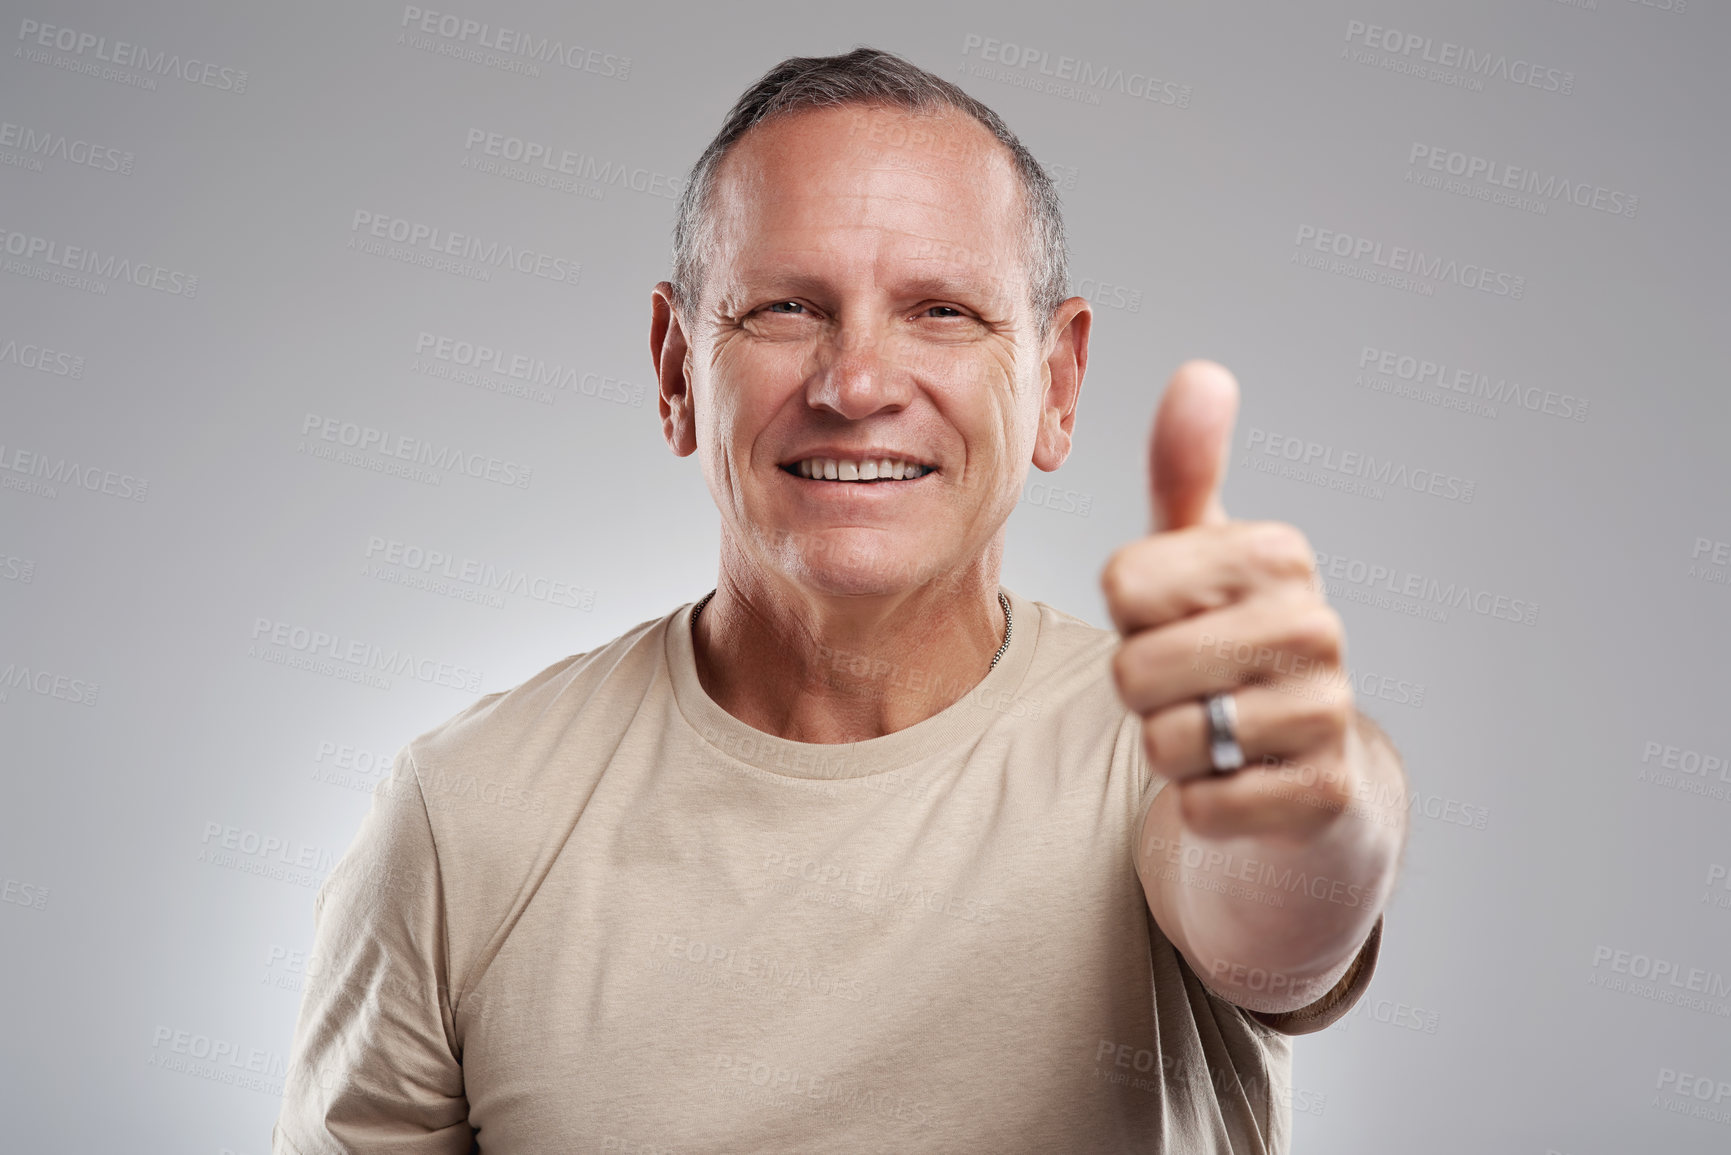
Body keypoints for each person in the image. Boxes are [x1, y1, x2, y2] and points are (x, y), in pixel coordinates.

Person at [273, 46, 1408, 1154]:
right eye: (786, 309)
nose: (857, 383)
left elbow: (1279, 926)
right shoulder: (463, 814)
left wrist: (1315, 791)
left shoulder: (1168, 754)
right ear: (675, 372)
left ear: (1057, 385)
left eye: (943, 312)